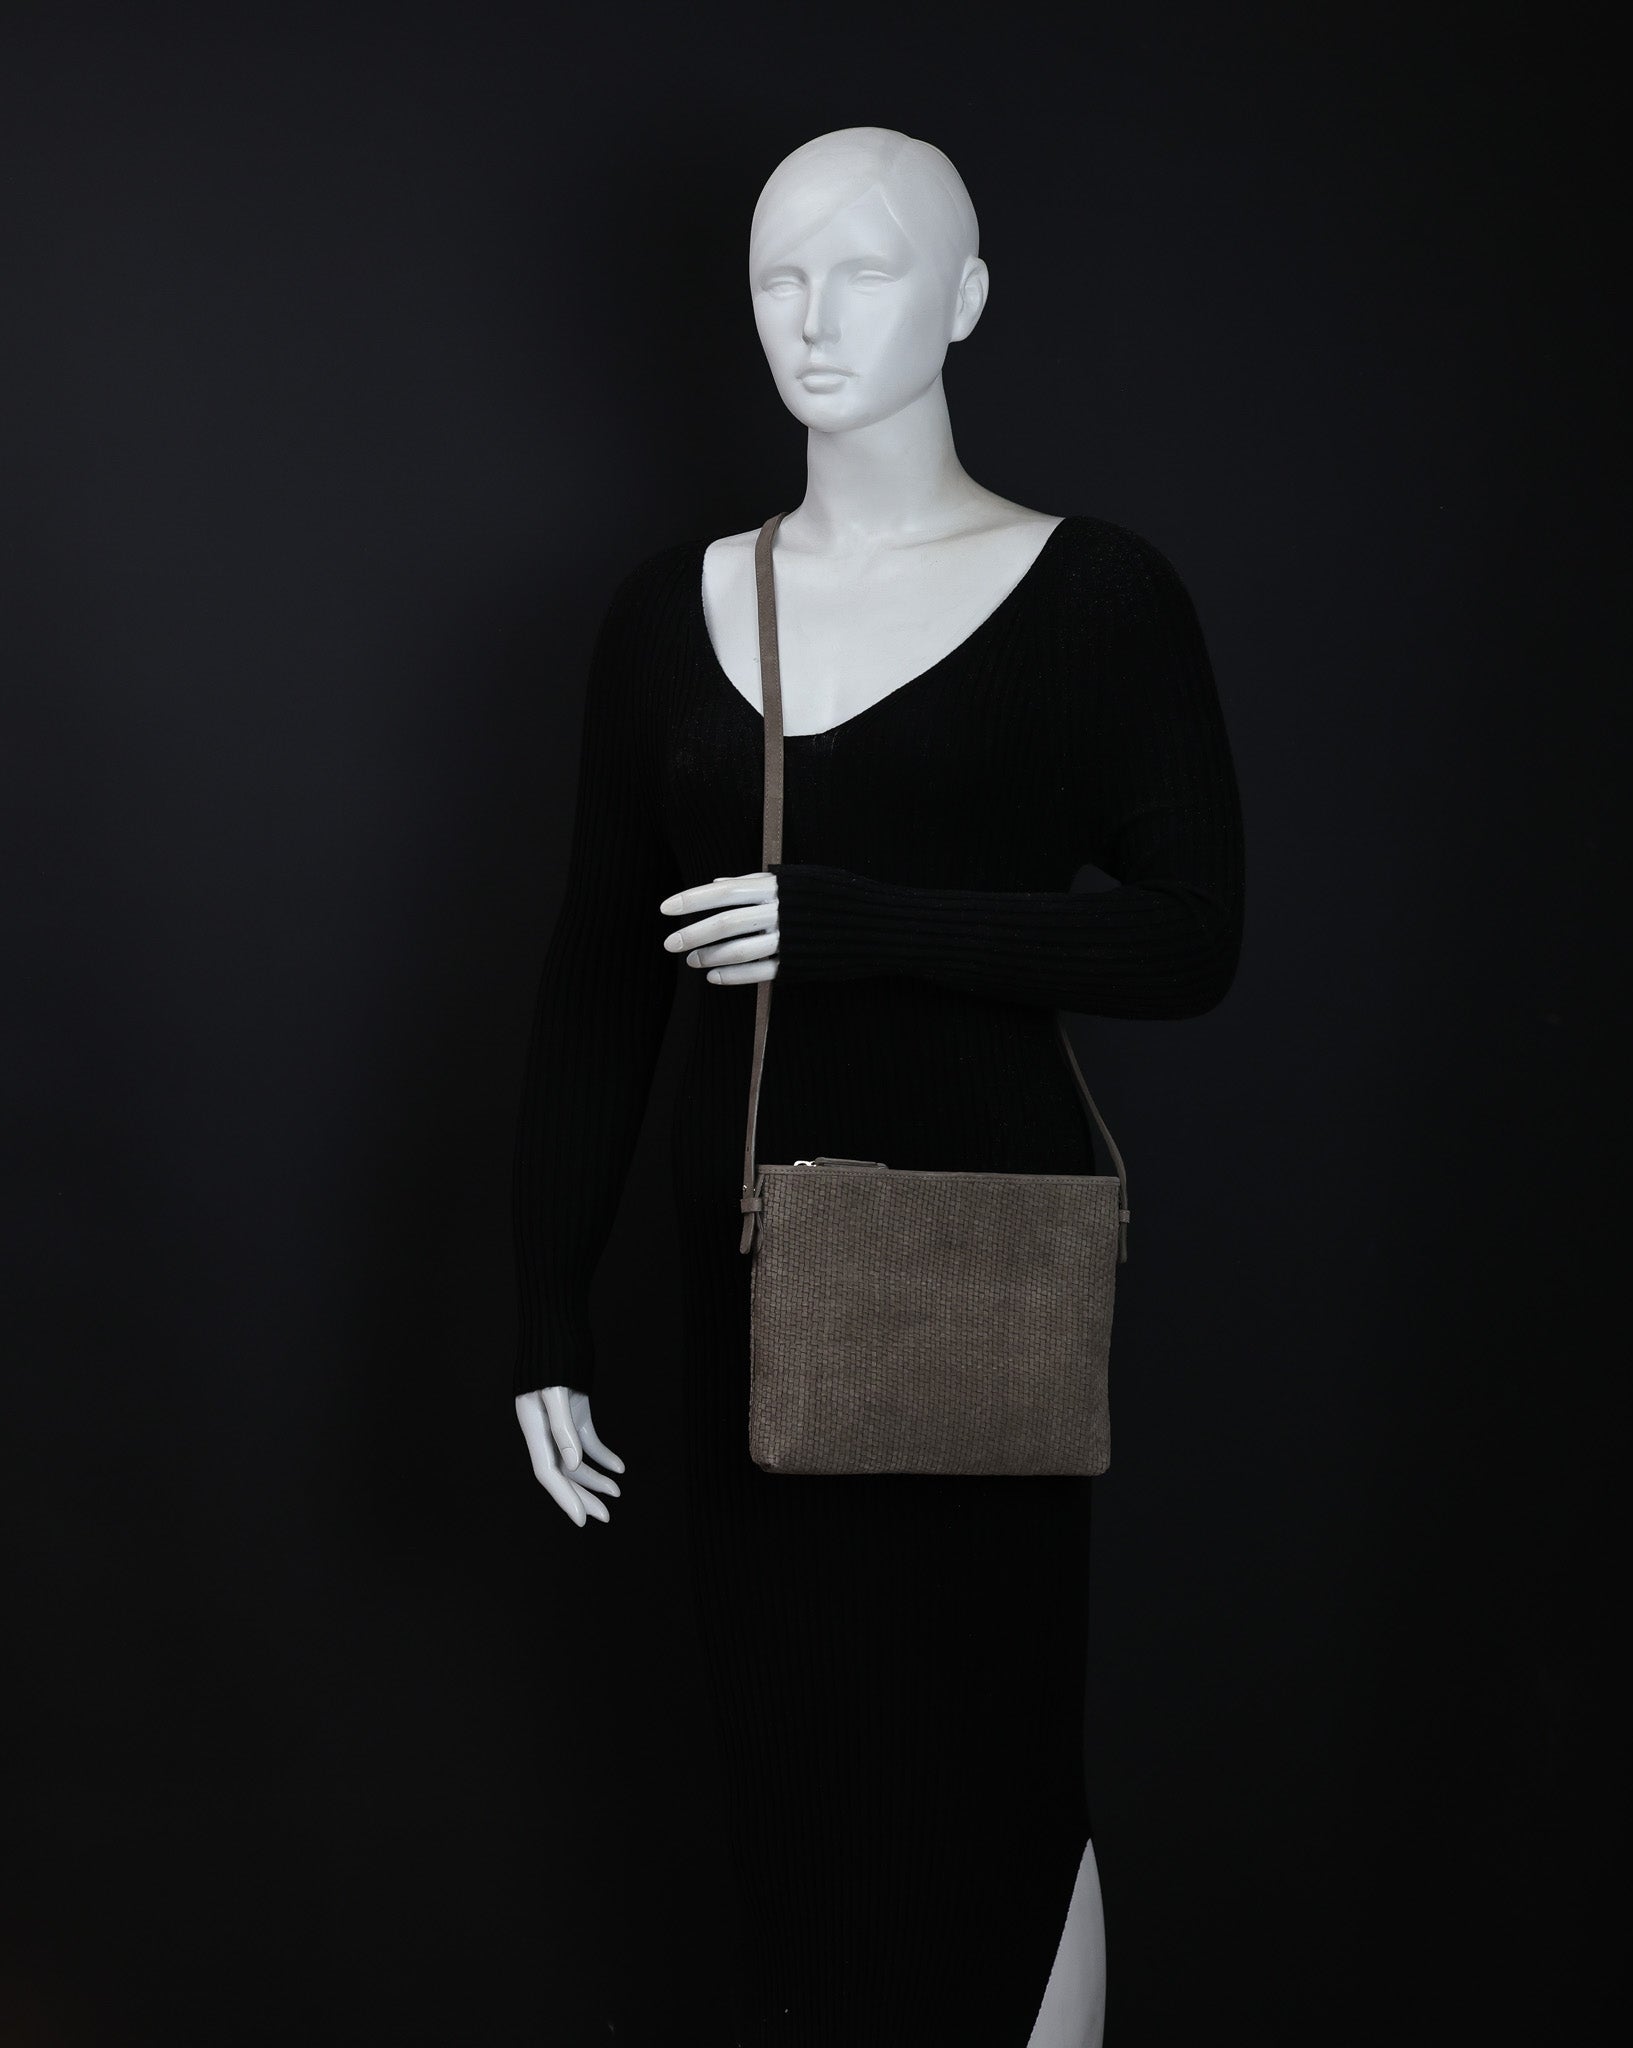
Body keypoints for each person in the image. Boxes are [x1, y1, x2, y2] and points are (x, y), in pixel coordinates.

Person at [511, 126, 1244, 2047]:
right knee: (800, 1788)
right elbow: (598, 977)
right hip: (756, 1283)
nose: (816, 316)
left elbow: (1190, 941)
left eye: (868, 268)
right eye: (779, 275)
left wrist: (858, 922)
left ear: (969, 299)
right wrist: (544, 1308)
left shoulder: (1096, 596)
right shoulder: (670, 613)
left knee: (991, 1771)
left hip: (982, 1275)